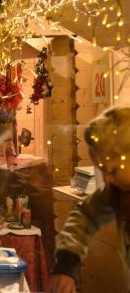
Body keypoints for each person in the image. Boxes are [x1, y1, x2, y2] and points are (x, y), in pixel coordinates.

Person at [50, 106, 130, 293]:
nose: (107, 179)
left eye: (111, 170)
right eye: (101, 170)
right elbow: (85, 214)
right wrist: (67, 262)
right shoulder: (117, 192)